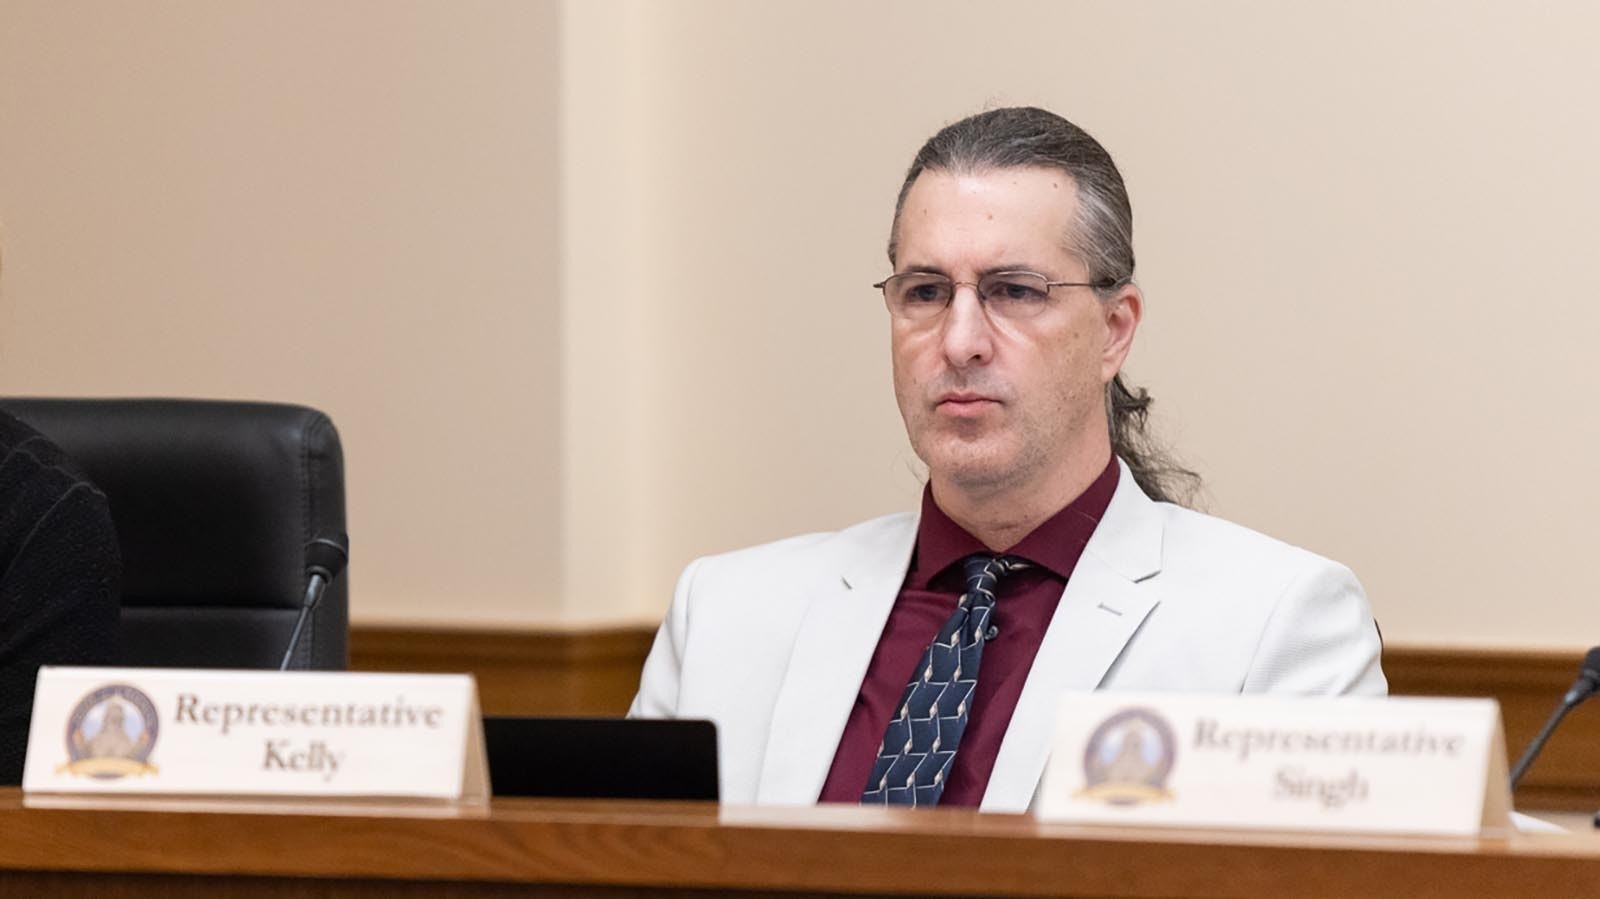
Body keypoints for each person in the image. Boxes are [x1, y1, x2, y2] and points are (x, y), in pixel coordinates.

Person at [629, 107, 1384, 811]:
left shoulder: (1275, 624)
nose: (960, 341)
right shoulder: (726, 611)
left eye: (1014, 291)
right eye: (925, 292)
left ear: (1115, 332)